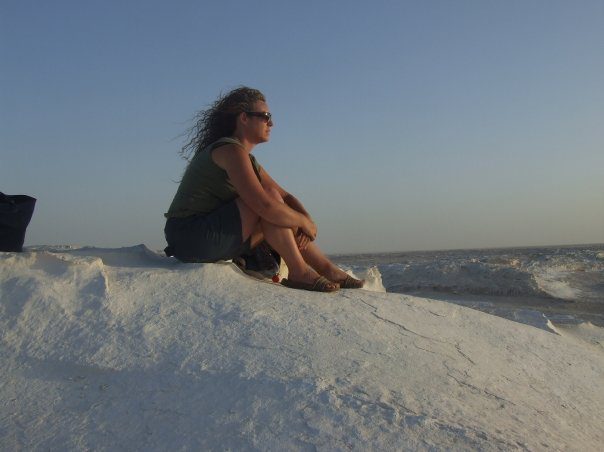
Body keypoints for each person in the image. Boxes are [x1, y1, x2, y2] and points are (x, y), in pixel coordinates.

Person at [164, 87, 364, 292]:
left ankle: (326, 269)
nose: (272, 123)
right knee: (269, 203)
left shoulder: (246, 158)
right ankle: (300, 272)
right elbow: (265, 204)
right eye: (266, 116)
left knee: (277, 204)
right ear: (244, 118)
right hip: (190, 235)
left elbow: (285, 196)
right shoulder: (230, 150)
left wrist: (306, 219)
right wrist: (302, 222)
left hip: (210, 235)